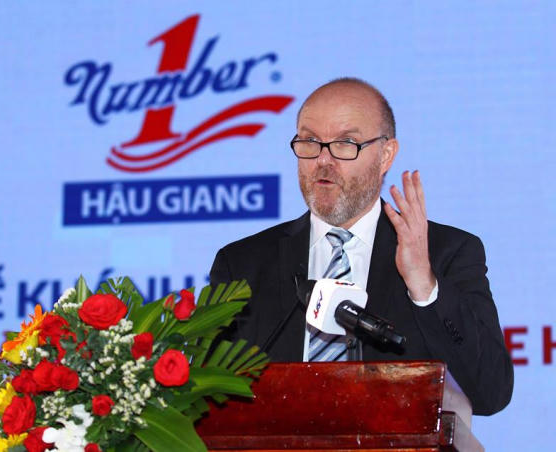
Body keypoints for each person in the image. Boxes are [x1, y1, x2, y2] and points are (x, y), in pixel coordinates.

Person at [209, 77, 513, 416]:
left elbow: (490, 393)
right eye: (310, 141)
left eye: (345, 143)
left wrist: (424, 286)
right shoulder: (243, 265)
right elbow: (205, 399)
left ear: (386, 155)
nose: (323, 161)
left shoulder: (446, 253)